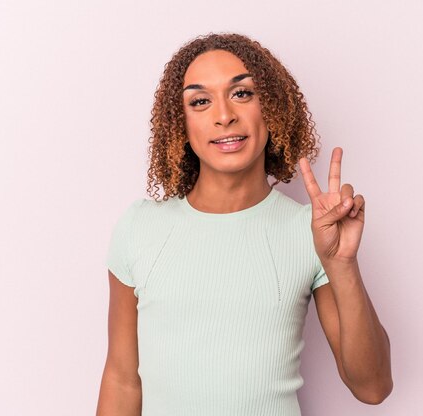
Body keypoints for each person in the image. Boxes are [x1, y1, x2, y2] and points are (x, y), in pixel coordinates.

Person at [96, 33, 392, 416]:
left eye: (242, 94)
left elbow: (372, 387)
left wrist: (342, 265)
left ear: (272, 108)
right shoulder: (140, 227)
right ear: (180, 125)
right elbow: (122, 379)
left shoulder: (313, 232)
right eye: (200, 101)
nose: (224, 115)